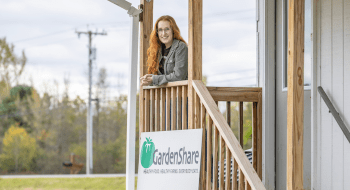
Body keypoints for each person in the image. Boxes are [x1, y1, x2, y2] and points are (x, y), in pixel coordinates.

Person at [140, 15, 188, 86]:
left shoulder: (181, 47)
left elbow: (178, 76)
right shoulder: (157, 50)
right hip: (163, 95)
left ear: (173, 30)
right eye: (160, 30)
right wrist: (149, 80)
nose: (163, 33)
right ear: (157, 32)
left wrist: (154, 79)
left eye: (167, 29)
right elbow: (160, 78)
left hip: (180, 95)